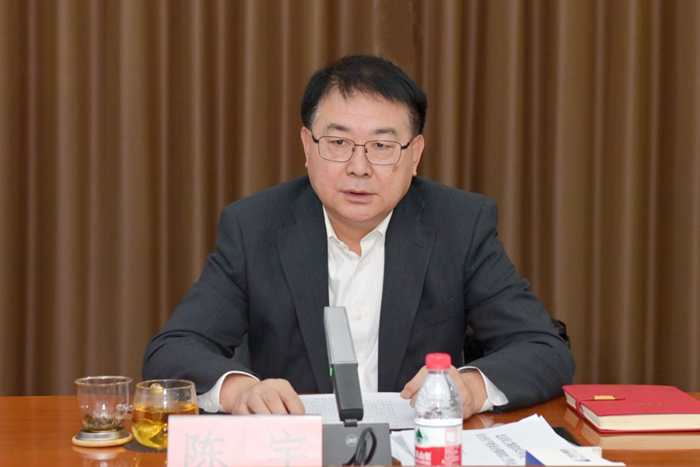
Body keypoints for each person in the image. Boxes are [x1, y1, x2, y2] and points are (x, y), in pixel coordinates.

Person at [143, 55, 575, 419]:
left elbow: (543, 348)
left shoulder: (459, 225)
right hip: (298, 452)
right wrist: (241, 391)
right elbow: (173, 349)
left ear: (415, 154)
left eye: (382, 147)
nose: (359, 167)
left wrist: (469, 388)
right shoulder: (255, 227)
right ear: (307, 146)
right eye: (338, 142)